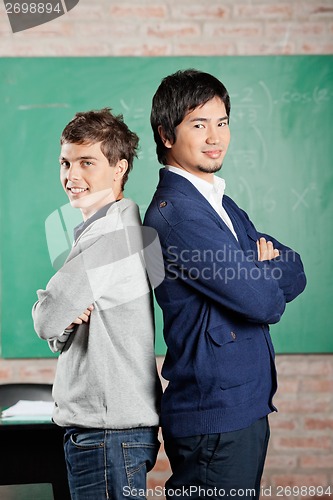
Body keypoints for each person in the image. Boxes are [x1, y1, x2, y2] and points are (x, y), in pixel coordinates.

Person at [144, 69, 306, 499]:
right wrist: (255, 270)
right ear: (166, 134)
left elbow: (296, 266)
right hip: (214, 415)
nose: (215, 136)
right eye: (199, 124)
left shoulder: (218, 201)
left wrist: (257, 269)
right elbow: (263, 302)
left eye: (222, 122)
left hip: (241, 405)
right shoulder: (177, 216)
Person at [32, 108, 163, 499]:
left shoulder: (110, 234)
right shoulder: (114, 225)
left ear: (118, 168)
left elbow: (47, 318)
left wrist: (57, 314)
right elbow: (61, 325)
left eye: (87, 163)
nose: (72, 176)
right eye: (66, 162)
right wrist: (67, 319)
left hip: (107, 433)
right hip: (112, 431)